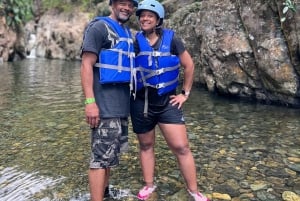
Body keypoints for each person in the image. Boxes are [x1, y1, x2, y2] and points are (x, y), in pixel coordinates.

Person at [130, 0, 210, 201]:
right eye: (142, 15)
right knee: (146, 146)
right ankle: (149, 185)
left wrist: (185, 93)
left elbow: (189, 65)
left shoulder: (172, 40)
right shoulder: (134, 41)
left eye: (150, 15)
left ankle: (194, 191)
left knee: (182, 147)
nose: (145, 18)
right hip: (142, 103)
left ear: (158, 20)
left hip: (167, 103)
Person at [80, 0, 138, 200]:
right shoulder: (98, 27)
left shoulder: (126, 33)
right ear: (112, 4)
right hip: (104, 106)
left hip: (121, 107)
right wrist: (90, 103)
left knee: (110, 156)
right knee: (99, 158)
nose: (127, 8)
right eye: (122, 3)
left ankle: (104, 194)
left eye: (131, 5)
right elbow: (86, 64)